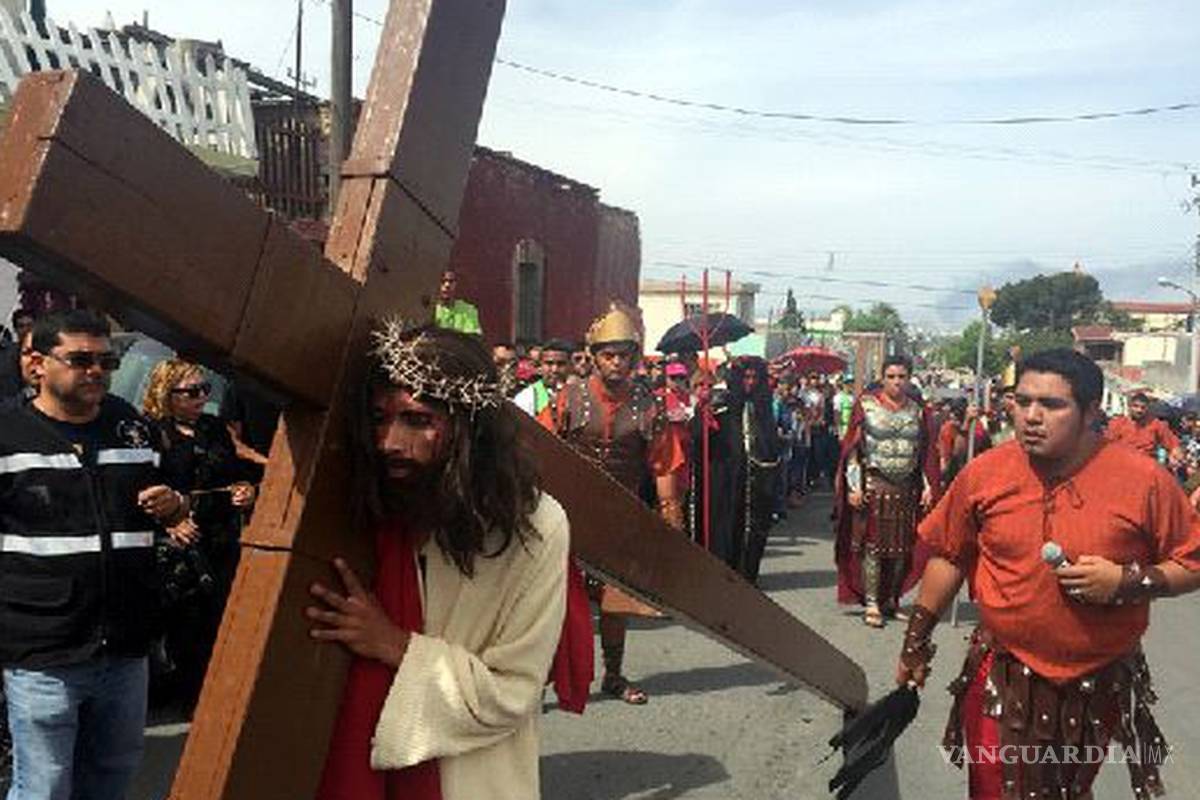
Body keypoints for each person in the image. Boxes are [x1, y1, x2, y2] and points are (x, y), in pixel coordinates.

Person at [896, 349, 1200, 800]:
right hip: (1002, 672)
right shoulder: (985, 473)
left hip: (1096, 684)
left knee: (1065, 793)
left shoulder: (1145, 481)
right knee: (995, 791)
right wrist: (915, 641)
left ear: (1091, 412)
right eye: (1022, 401)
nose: (1031, 417)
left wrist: (1126, 582)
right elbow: (949, 555)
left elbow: (1191, 562)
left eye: (1052, 405)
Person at [310, 322, 569, 800]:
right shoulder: (364, 504)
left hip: (469, 779)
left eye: (417, 420)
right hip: (350, 762)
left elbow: (514, 692)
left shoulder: (537, 525)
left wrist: (394, 645)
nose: (389, 441)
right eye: (380, 418)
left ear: (469, 428)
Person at [0, 310, 189, 800]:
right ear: (38, 364)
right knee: (43, 785)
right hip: (43, 651)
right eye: (81, 359)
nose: (97, 371)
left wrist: (173, 506)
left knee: (111, 779)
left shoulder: (131, 427)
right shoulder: (7, 435)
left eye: (107, 360)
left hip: (126, 646)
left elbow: (177, 499)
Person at [554, 303, 686, 705]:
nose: (616, 362)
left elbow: (665, 464)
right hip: (568, 511)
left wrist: (670, 520)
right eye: (608, 354)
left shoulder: (649, 406)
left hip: (620, 513)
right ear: (594, 358)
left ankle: (613, 675)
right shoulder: (568, 397)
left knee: (616, 599)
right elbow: (545, 450)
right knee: (554, 597)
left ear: (634, 357)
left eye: (624, 354)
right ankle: (544, 674)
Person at [142, 359, 256, 708]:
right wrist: (171, 520)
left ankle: (218, 693)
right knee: (186, 625)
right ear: (167, 394)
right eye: (191, 392)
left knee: (222, 618)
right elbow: (143, 490)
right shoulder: (151, 432)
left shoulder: (213, 428)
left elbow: (236, 472)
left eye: (205, 390)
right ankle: (191, 696)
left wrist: (245, 490)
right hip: (179, 546)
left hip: (219, 537)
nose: (201, 398)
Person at [834, 354, 939, 628]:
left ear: (909, 378)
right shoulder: (866, 406)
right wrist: (854, 486)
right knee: (874, 547)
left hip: (906, 487)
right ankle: (871, 601)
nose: (896, 382)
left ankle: (891, 599)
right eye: (891, 376)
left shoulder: (918, 410)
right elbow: (853, 450)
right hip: (875, 484)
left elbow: (925, 453)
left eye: (902, 376)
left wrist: (928, 486)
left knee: (901, 548)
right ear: (882, 378)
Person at [693, 357, 782, 582]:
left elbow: (769, 443)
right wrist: (704, 415)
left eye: (755, 378)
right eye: (746, 377)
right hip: (727, 477)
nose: (750, 383)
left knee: (753, 529)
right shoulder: (722, 402)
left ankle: (747, 575)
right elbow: (702, 438)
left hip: (756, 479)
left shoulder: (763, 405)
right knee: (725, 524)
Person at [1106, 392, 1182, 465]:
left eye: (1143, 407)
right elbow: (1108, 445)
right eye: (1135, 406)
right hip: (1123, 464)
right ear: (1129, 406)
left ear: (1147, 408)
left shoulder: (1156, 424)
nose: (1139, 410)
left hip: (1147, 465)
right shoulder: (1118, 423)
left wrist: (1175, 453)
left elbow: (1173, 443)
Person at [513, 339, 574, 428]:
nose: (554, 369)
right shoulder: (527, 397)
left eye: (561, 364)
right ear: (540, 366)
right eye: (549, 363)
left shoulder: (577, 394)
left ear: (570, 366)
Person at [432, 269, 482, 335]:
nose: (447, 285)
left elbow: (474, 337)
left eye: (451, 281)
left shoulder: (468, 310)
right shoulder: (428, 310)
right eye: (443, 281)